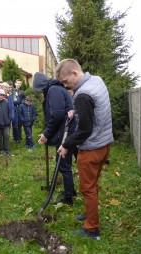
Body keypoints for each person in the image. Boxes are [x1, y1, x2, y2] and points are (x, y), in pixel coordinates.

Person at [56, 58, 113, 240]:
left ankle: (91, 229)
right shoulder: (96, 80)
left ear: (74, 73)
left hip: (91, 148)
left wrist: (66, 145)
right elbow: (94, 110)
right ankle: (90, 214)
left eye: (65, 81)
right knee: (93, 185)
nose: (65, 86)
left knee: (87, 189)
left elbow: (85, 130)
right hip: (105, 144)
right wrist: (77, 111)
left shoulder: (83, 95)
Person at [33, 72, 77, 206]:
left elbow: (56, 116)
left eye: (40, 90)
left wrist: (46, 134)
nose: (41, 92)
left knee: (64, 166)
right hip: (65, 132)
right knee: (64, 164)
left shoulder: (53, 90)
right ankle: (71, 191)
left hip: (64, 135)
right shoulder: (56, 89)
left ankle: (69, 198)